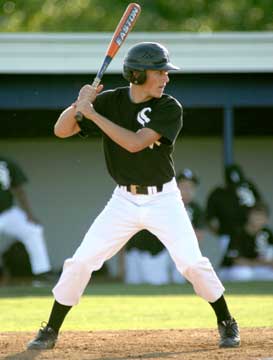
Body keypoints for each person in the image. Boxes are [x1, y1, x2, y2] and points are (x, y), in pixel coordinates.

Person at [27, 42, 240, 350]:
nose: (166, 78)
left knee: (192, 264)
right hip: (124, 200)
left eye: (166, 72)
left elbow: (135, 143)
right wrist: (79, 105)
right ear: (137, 75)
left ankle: (226, 321)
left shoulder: (170, 107)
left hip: (163, 199)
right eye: (159, 72)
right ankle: (50, 329)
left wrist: (93, 114)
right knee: (81, 262)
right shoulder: (110, 101)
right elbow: (62, 130)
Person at [0, 156, 51, 279]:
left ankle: (42, 272)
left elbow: (19, 189)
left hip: (8, 211)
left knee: (33, 230)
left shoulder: (6, 162)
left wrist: (29, 214)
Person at [206, 163, 262, 260]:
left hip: (252, 234)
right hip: (228, 236)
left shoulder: (249, 188)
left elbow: (261, 209)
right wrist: (220, 232)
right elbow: (210, 219)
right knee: (234, 264)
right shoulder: (218, 193)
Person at [219, 202, 273, 281]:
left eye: (261, 216)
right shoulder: (238, 232)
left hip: (257, 268)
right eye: (255, 215)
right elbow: (236, 261)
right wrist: (259, 263)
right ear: (249, 216)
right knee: (243, 273)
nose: (258, 219)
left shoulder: (267, 233)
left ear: (266, 219)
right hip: (231, 269)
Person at [171, 168, 205, 283]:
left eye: (191, 187)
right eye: (184, 186)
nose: (187, 191)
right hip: (159, 251)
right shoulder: (167, 204)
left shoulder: (196, 209)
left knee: (178, 280)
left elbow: (199, 237)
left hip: (183, 252)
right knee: (156, 281)